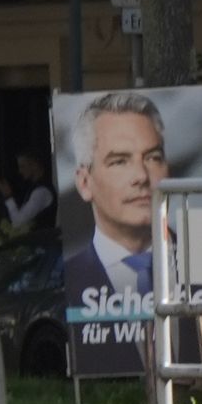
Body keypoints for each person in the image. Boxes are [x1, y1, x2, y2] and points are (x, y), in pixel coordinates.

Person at [61, 90, 166, 308]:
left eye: (153, 158)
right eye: (119, 161)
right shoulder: (68, 281)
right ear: (84, 183)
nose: (141, 176)